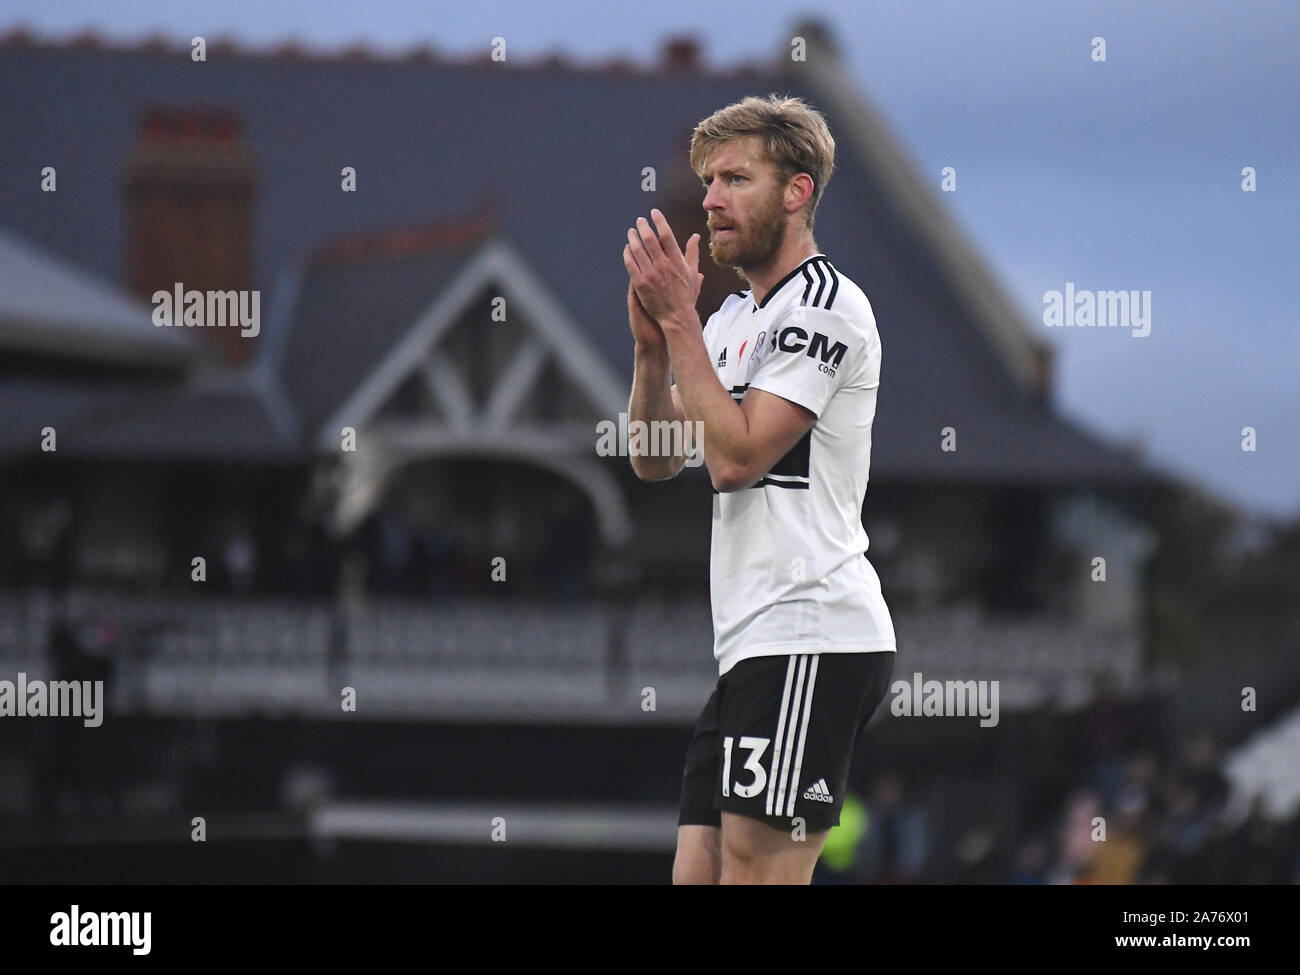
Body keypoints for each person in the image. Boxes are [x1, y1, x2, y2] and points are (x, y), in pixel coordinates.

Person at [623, 94, 896, 884]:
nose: (711, 199)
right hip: (751, 640)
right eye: (709, 180)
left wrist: (679, 323)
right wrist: (651, 352)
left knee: (754, 871)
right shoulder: (729, 319)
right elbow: (657, 457)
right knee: (698, 870)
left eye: (736, 178)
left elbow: (737, 458)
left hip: (813, 626)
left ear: (797, 191)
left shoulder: (829, 306)